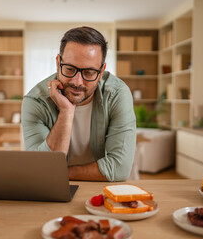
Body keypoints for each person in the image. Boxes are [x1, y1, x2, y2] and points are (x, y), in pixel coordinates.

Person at [21, 26, 136, 182]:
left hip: (101, 189)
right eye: (69, 69)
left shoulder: (117, 94)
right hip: (52, 188)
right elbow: (41, 167)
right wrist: (67, 111)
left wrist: (61, 172)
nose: (77, 82)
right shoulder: (36, 101)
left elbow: (119, 169)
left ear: (101, 72)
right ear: (58, 62)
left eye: (88, 72)